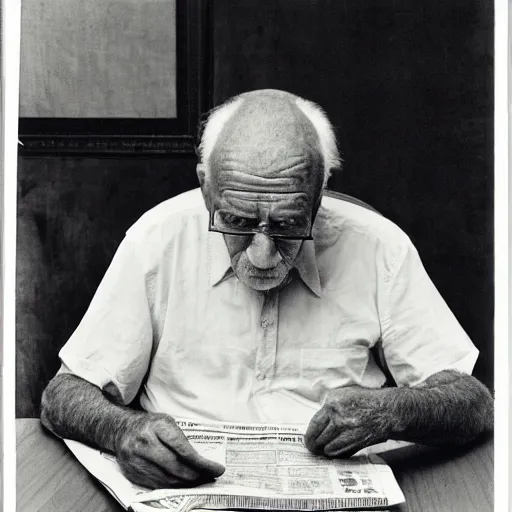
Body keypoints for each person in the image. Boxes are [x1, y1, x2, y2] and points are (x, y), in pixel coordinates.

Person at [41, 89, 493, 490]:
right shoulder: (156, 240)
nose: (261, 254)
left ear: (319, 194)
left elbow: (473, 404)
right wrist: (121, 430)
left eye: (288, 224)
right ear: (205, 187)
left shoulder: (380, 247)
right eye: (236, 221)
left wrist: (392, 410)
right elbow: (62, 396)